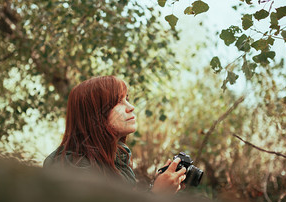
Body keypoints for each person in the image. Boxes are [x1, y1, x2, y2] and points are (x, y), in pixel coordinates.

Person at [44, 75, 186, 194]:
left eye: (127, 99)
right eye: (118, 102)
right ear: (95, 114)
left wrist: (158, 186)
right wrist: (157, 195)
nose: (131, 107)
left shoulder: (117, 159)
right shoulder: (74, 168)